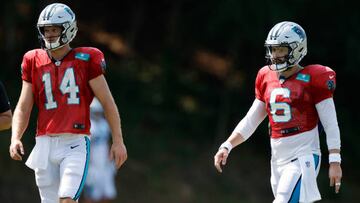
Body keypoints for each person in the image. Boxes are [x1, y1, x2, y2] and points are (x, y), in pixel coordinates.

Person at [9, 3, 127, 203]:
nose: (50, 34)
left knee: (67, 200)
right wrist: (15, 138)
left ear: (68, 28)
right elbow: (23, 105)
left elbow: (108, 103)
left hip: (74, 143)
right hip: (44, 143)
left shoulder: (86, 59)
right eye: (46, 30)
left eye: (54, 29)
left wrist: (118, 140)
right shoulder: (32, 60)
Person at [214, 21, 342, 203]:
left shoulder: (315, 77)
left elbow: (330, 123)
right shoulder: (266, 76)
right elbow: (251, 120)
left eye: (281, 50)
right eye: (273, 50)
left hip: (303, 154)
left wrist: (335, 160)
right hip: (277, 159)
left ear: (297, 49)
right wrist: (227, 145)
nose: (275, 55)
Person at [82, 98, 117, 203]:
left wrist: (110, 159)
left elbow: (107, 143)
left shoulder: (104, 124)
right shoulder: (88, 126)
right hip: (92, 165)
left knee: (107, 193)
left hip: (105, 164)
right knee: (91, 195)